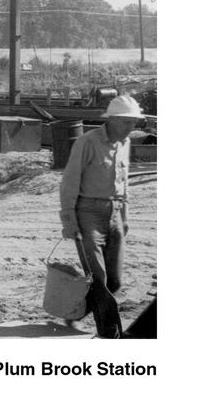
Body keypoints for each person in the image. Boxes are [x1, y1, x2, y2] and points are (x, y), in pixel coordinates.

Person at [59, 93, 143, 338]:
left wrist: (124, 218)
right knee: (100, 279)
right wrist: (69, 221)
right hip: (88, 215)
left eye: (134, 122)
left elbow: (124, 183)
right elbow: (69, 183)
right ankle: (110, 334)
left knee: (114, 281)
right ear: (113, 120)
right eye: (128, 122)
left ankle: (74, 313)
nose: (132, 127)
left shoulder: (125, 143)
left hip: (115, 215)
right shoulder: (87, 142)